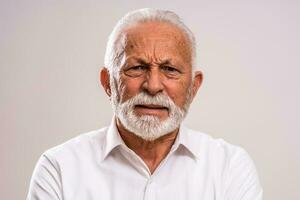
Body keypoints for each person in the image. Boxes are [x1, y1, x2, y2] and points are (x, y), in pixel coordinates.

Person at [27, 8, 263, 200]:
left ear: (194, 87)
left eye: (170, 70)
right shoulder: (59, 168)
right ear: (108, 83)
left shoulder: (229, 168)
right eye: (137, 68)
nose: (152, 86)